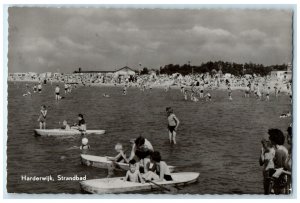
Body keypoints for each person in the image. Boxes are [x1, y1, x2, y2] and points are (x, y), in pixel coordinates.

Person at [268, 129, 289, 194]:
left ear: (274, 139)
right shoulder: (283, 148)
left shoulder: (279, 151)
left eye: (270, 137)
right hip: (284, 179)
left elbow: (279, 168)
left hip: (280, 182)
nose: (269, 139)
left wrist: (272, 187)